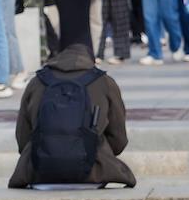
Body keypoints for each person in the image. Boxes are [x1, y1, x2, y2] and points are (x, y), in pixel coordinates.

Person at [9, 43, 136, 189]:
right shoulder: (104, 82)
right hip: (94, 175)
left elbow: (23, 137)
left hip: (40, 176)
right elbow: (118, 139)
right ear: (91, 60)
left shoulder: (37, 81)